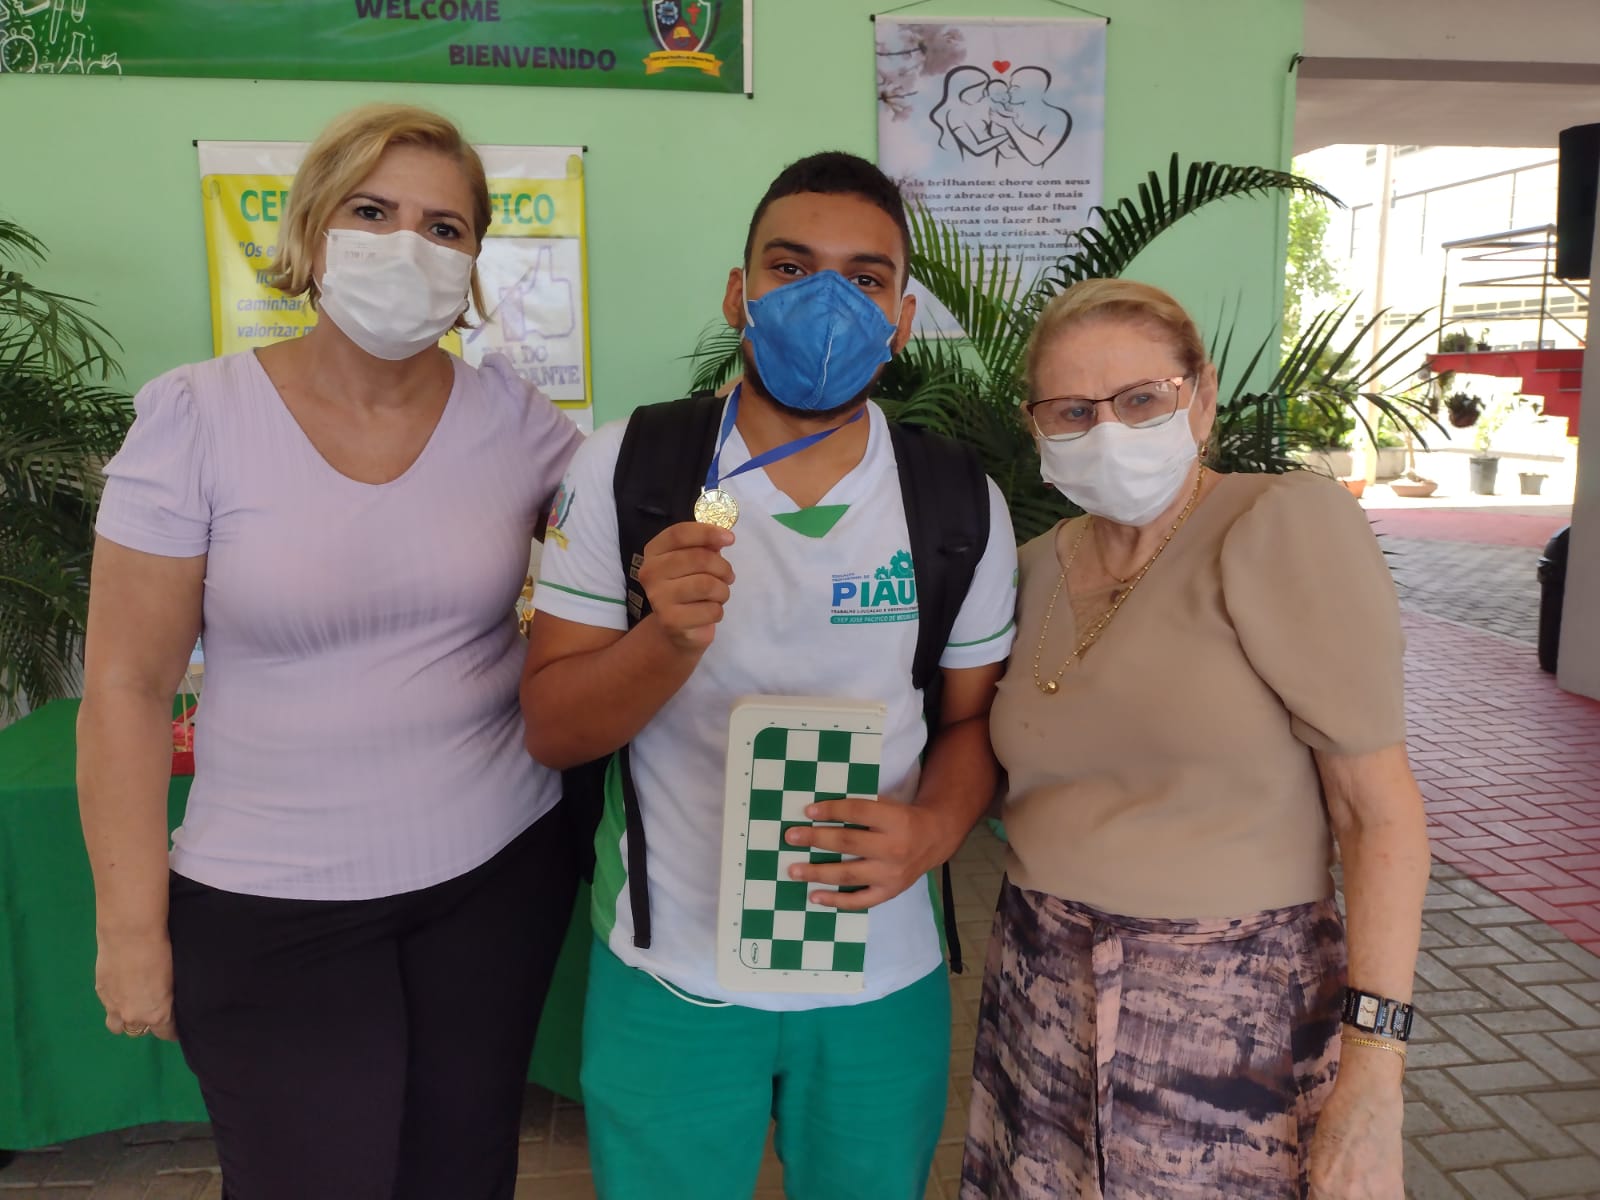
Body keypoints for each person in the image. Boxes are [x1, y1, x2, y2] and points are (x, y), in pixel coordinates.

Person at [77, 103, 584, 1200]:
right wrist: (130, 931)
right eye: (372, 211)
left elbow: (639, 527)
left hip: (495, 880)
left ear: (474, 262)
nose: (408, 246)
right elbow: (125, 686)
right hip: (270, 906)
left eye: (444, 228)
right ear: (311, 232)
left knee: (461, 1176)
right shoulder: (196, 418)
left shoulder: (517, 421)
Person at [521, 151, 1019, 1200]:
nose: (825, 302)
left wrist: (934, 831)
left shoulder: (954, 500)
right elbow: (554, 728)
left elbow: (972, 727)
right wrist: (662, 641)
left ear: (902, 320)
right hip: (670, 974)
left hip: (880, 977)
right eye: (790, 269)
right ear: (736, 294)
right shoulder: (629, 467)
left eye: (865, 278)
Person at [962, 279, 1428, 1200]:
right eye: (1073, 411)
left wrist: (1376, 1072)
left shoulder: (1278, 525)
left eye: (1141, 400)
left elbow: (1376, 813)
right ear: (1037, 426)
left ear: (1202, 398)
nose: (1107, 431)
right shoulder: (1029, 568)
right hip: (1039, 987)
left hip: (1230, 1015)